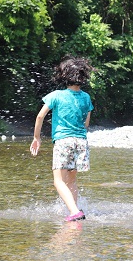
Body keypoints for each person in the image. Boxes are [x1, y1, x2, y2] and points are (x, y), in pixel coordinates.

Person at [30, 56, 94, 221]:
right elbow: (86, 123)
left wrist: (37, 138)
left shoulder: (56, 95)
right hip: (81, 141)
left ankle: (74, 212)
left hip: (63, 141)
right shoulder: (86, 97)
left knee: (58, 181)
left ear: (64, 75)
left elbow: (39, 117)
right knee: (71, 181)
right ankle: (74, 209)